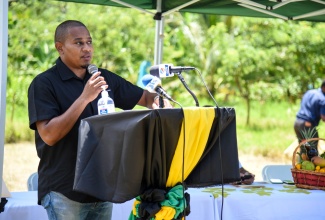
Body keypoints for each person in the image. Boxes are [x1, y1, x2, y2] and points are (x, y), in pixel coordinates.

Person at [28, 20, 172, 220]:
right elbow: (49, 135)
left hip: (101, 188)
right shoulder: (44, 84)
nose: (87, 48)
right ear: (60, 48)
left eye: (89, 42)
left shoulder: (102, 78)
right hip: (64, 191)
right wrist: (84, 98)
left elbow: (146, 98)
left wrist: (158, 101)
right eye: (79, 43)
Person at [294, 80, 325, 149]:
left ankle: (302, 160)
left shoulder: (310, 92)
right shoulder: (323, 99)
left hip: (297, 123)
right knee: (312, 151)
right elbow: (323, 117)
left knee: (303, 148)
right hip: (307, 125)